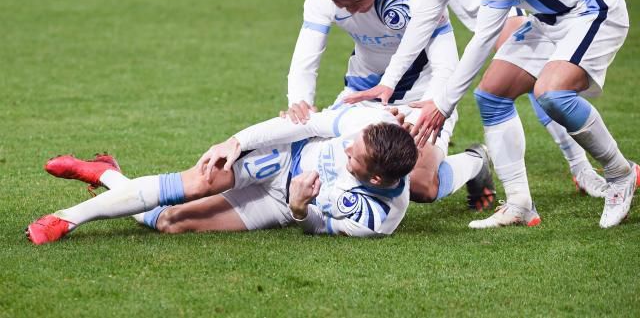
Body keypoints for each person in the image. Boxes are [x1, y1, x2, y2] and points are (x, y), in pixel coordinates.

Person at [347, 0, 637, 228]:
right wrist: (389, 81)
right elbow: (427, 14)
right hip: (549, 17)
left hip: (593, 9)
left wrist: (442, 105)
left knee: (552, 93)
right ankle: (519, 204)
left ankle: (620, 174)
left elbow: (485, 37)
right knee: (492, 96)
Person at [283, 0, 496, 208]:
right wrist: (299, 103)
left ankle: (475, 163)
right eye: (341, 4)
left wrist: (435, 105)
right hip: (362, 94)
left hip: (422, 96)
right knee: (312, 162)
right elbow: (306, 57)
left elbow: (445, 62)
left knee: (420, 185)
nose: (352, 9)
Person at [27, 106, 420, 244]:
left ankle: (107, 174)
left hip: (280, 203)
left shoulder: (378, 219)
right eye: (353, 143)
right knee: (195, 182)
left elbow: (316, 224)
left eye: (356, 157)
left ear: (377, 180)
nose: (348, 147)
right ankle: (66, 219)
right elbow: (303, 126)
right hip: (282, 156)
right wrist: (236, 141)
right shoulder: (370, 122)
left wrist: (300, 209)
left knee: (171, 223)